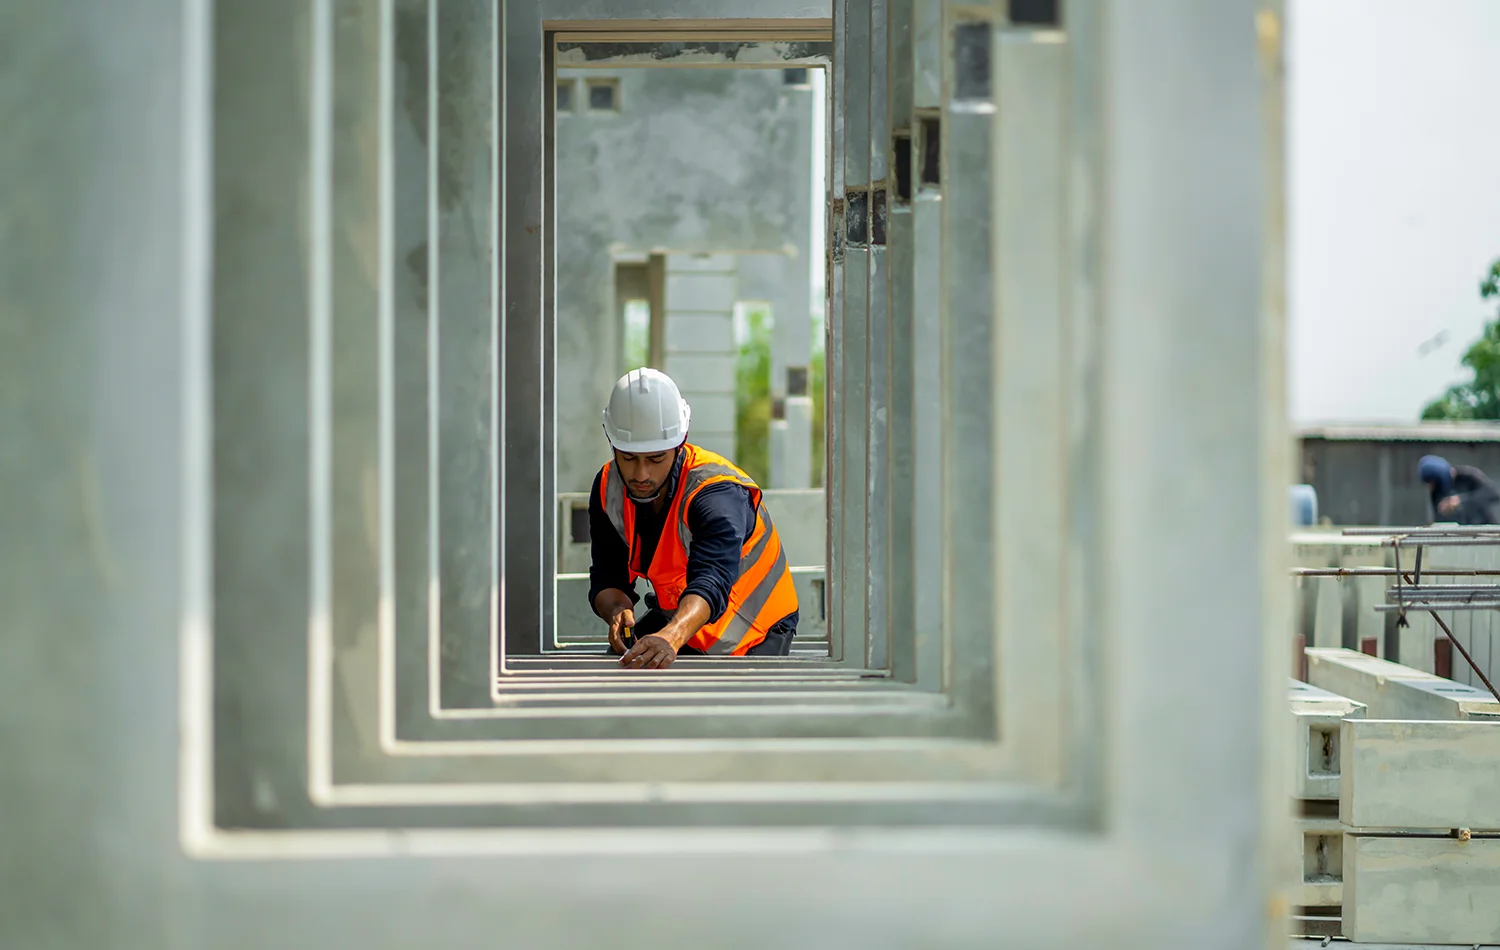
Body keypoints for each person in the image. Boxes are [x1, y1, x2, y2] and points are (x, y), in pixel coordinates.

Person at [587, 368, 799, 670]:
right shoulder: (609, 486)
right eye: (629, 457)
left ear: (680, 444)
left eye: (656, 458)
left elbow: (712, 578)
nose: (641, 474)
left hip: (754, 631)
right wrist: (618, 610)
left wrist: (672, 635)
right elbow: (608, 574)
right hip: (680, 624)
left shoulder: (716, 493)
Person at [1418, 454, 1500, 525]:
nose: (1431, 486)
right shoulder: (1437, 490)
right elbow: (1437, 516)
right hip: (1457, 533)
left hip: (1481, 528)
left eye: (1433, 482)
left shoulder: (1468, 476)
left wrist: (1460, 499)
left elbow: (1493, 494)